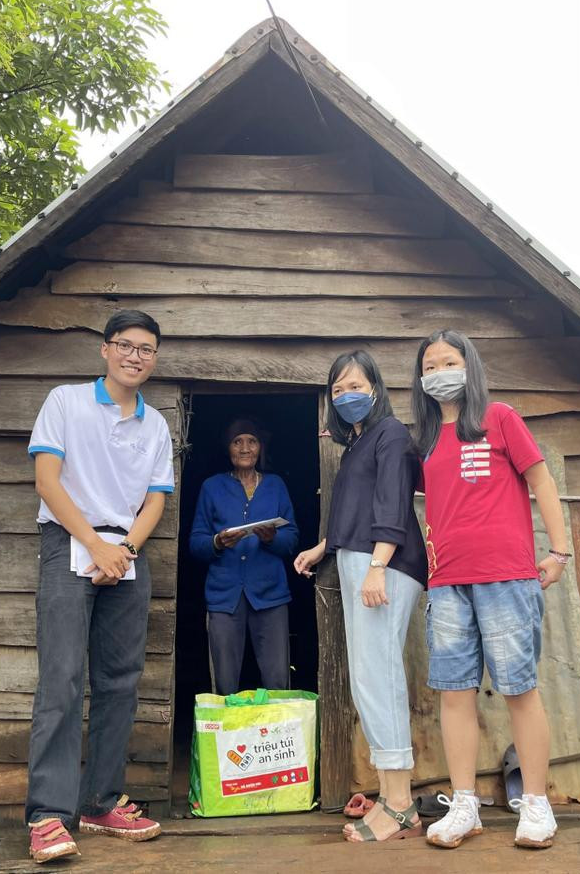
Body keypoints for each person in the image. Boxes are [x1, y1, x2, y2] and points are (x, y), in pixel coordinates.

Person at [23, 310, 175, 863]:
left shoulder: (155, 425)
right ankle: (47, 815)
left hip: (126, 551)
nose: (136, 356)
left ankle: (100, 801)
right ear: (106, 350)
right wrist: (95, 544)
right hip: (70, 542)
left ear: (154, 359)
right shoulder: (66, 402)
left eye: (147, 349)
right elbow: (47, 479)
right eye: (126, 345)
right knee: (61, 679)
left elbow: (156, 498)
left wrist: (125, 550)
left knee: (119, 681)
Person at [411, 330, 570, 851]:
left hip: (507, 575)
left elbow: (542, 480)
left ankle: (538, 805)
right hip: (448, 580)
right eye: (429, 366)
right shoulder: (428, 438)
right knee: (454, 693)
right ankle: (464, 806)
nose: (439, 372)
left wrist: (559, 551)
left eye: (448, 361)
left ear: (469, 365)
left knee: (519, 689)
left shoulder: (499, 417)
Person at [293, 350, 427, 843]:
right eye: (337, 390)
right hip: (358, 558)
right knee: (370, 677)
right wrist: (323, 546)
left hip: (383, 563)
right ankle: (394, 799)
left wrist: (377, 564)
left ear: (375, 388)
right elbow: (356, 507)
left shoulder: (390, 434)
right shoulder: (357, 444)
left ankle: (398, 804)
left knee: (379, 674)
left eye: (355, 385)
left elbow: (392, 501)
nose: (346, 395)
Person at [189, 419, 299, 695]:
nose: (245, 448)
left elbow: (292, 538)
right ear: (228, 449)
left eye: (251, 441)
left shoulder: (275, 486)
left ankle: (276, 736)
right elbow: (195, 543)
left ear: (260, 447)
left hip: (270, 593)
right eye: (237, 442)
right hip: (225, 595)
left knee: (276, 679)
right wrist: (217, 541)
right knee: (225, 681)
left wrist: (272, 538)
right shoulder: (211, 487)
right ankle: (229, 737)